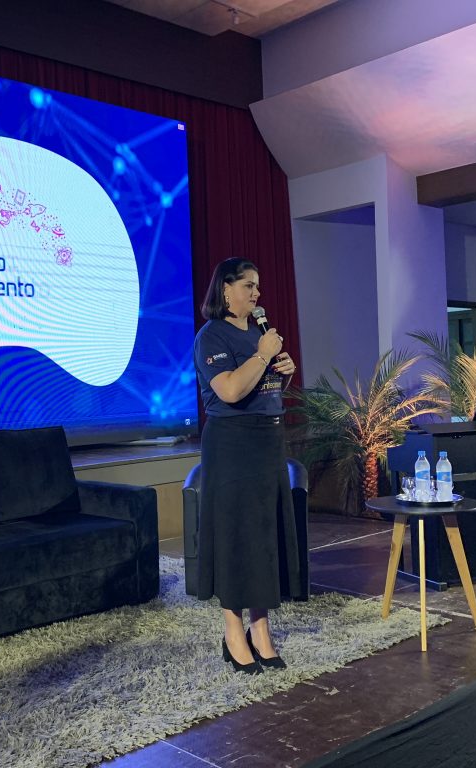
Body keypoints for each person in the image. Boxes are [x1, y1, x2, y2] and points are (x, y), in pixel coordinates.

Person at [193, 257, 303, 675]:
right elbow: (231, 390)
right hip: (232, 445)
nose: (256, 293)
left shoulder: (259, 332)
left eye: (257, 286)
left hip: (268, 441)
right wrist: (262, 356)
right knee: (236, 537)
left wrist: (283, 372)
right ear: (226, 289)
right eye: (248, 285)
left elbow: (264, 387)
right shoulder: (211, 336)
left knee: (263, 536)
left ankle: (261, 628)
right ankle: (232, 631)